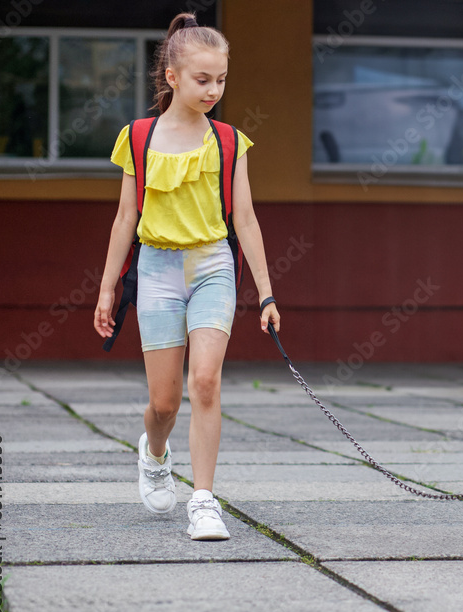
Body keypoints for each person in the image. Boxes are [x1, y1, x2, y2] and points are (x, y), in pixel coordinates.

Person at [94, 12, 279, 540]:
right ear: (172, 77)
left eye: (221, 80)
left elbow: (245, 220)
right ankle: (155, 454)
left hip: (212, 266)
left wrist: (267, 294)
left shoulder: (229, 142)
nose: (213, 90)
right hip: (155, 269)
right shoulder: (138, 138)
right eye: (202, 80)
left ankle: (203, 500)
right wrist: (107, 288)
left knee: (205, 382)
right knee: (164, 403)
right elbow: (125, 218)